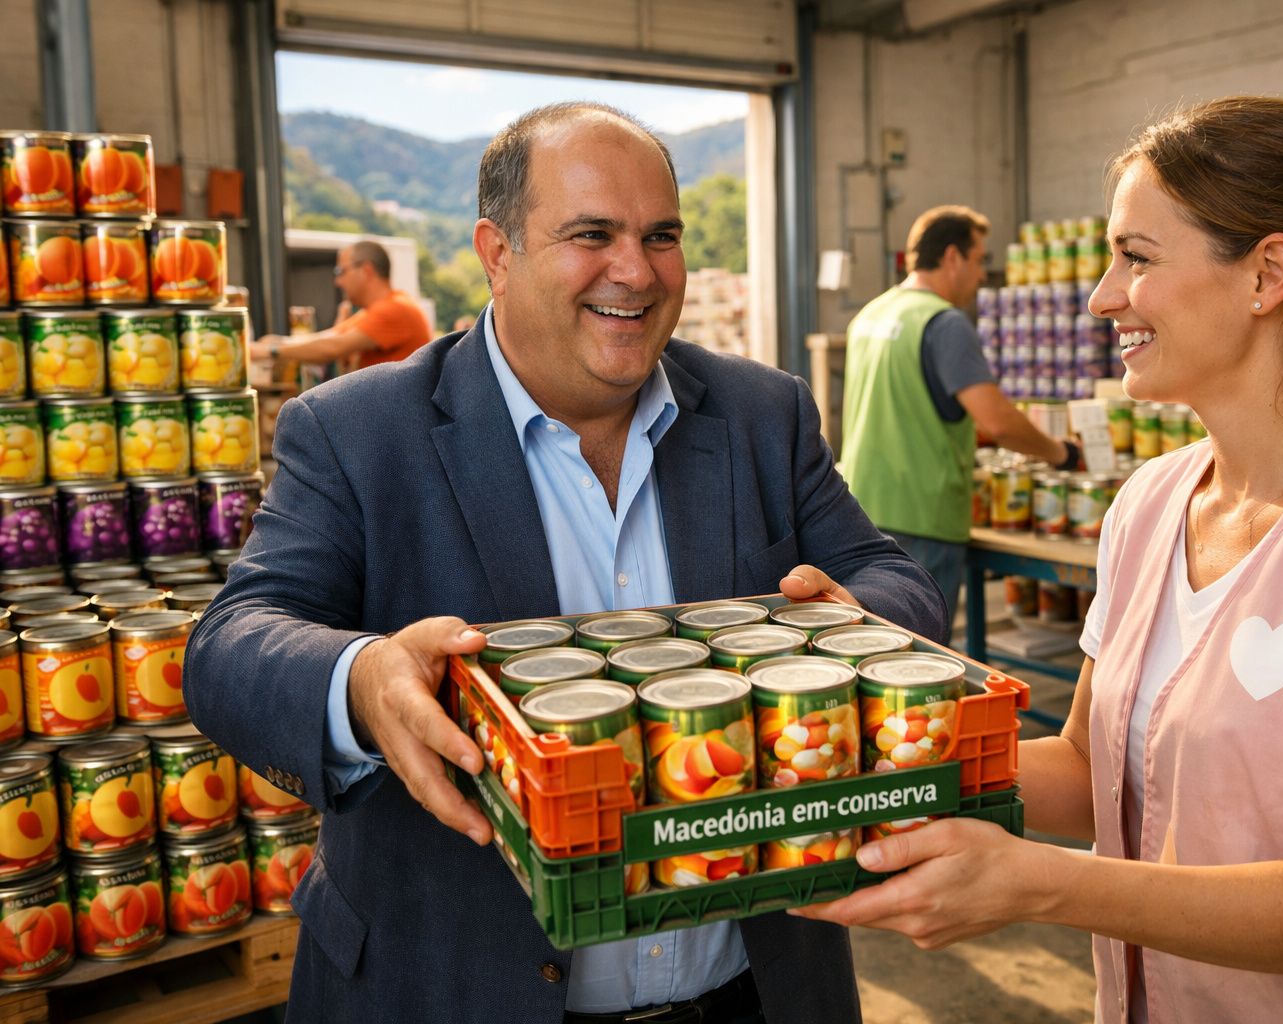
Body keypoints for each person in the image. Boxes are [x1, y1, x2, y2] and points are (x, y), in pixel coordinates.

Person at [183, 102, 944, 1023]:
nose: (636, 270)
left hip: (759, 988)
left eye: (661, 236)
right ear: (496, 252)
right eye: (592, 234)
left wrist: (845, 629)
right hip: (460, 990)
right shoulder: (358, 432)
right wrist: (363, 679)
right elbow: (230, 646)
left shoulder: (760, 415)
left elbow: (886, 574)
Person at [795, 96, 1283, 1022]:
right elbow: (1091, 770)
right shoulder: (1150, 505)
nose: (1102, 295)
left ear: (1268, 273)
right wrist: (871, 725)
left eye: (1136, 259)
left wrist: (1044, 885)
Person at [839, 205, 1077, 619]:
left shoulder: (869, 316)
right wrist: (1061, 453)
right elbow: (998, 422)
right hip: (923, 520)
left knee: (874, 644)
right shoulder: (944, 322)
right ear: (952, 257)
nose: (983, 274)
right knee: (925, 654)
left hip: (860, 509)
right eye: (979, 259)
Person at [251, 239, 432, 369]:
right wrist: (277, 341)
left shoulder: (395, 309)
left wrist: (271, 351)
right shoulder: (372, 311)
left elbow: (332, 347)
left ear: (366, 270)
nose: (338, 282)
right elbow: (328, 337)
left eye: (341, 271)